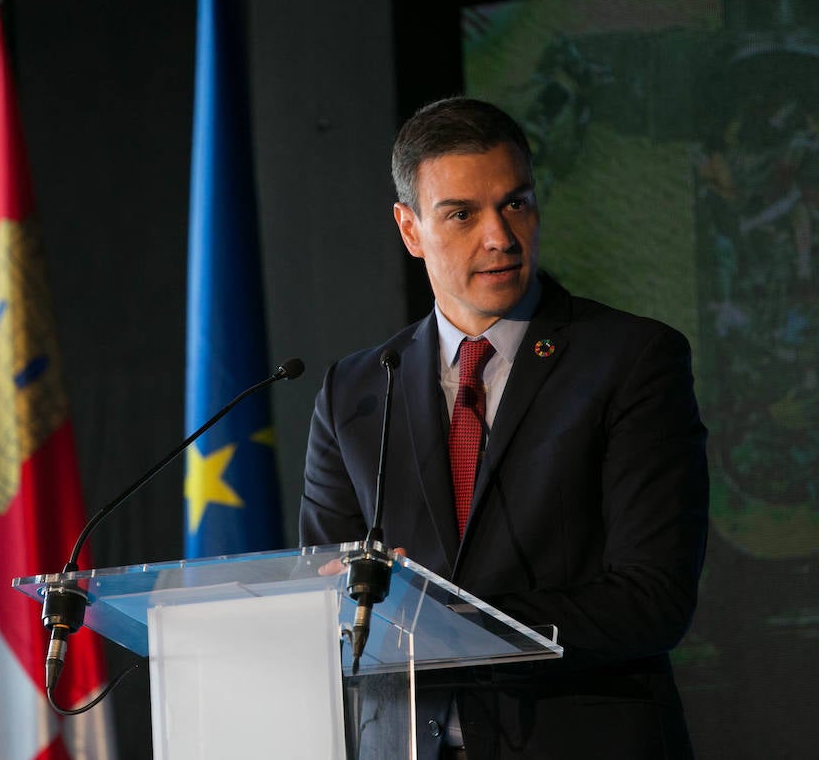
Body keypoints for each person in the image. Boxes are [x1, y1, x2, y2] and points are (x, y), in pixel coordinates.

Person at [300, 96, 709, 759]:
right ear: (410, 229)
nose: (500, 237)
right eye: (461, 214)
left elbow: (651, 599)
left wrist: (441, 624)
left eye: (515, 202)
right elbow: (329, 601)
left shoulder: (631, 360)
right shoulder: (354, 389)